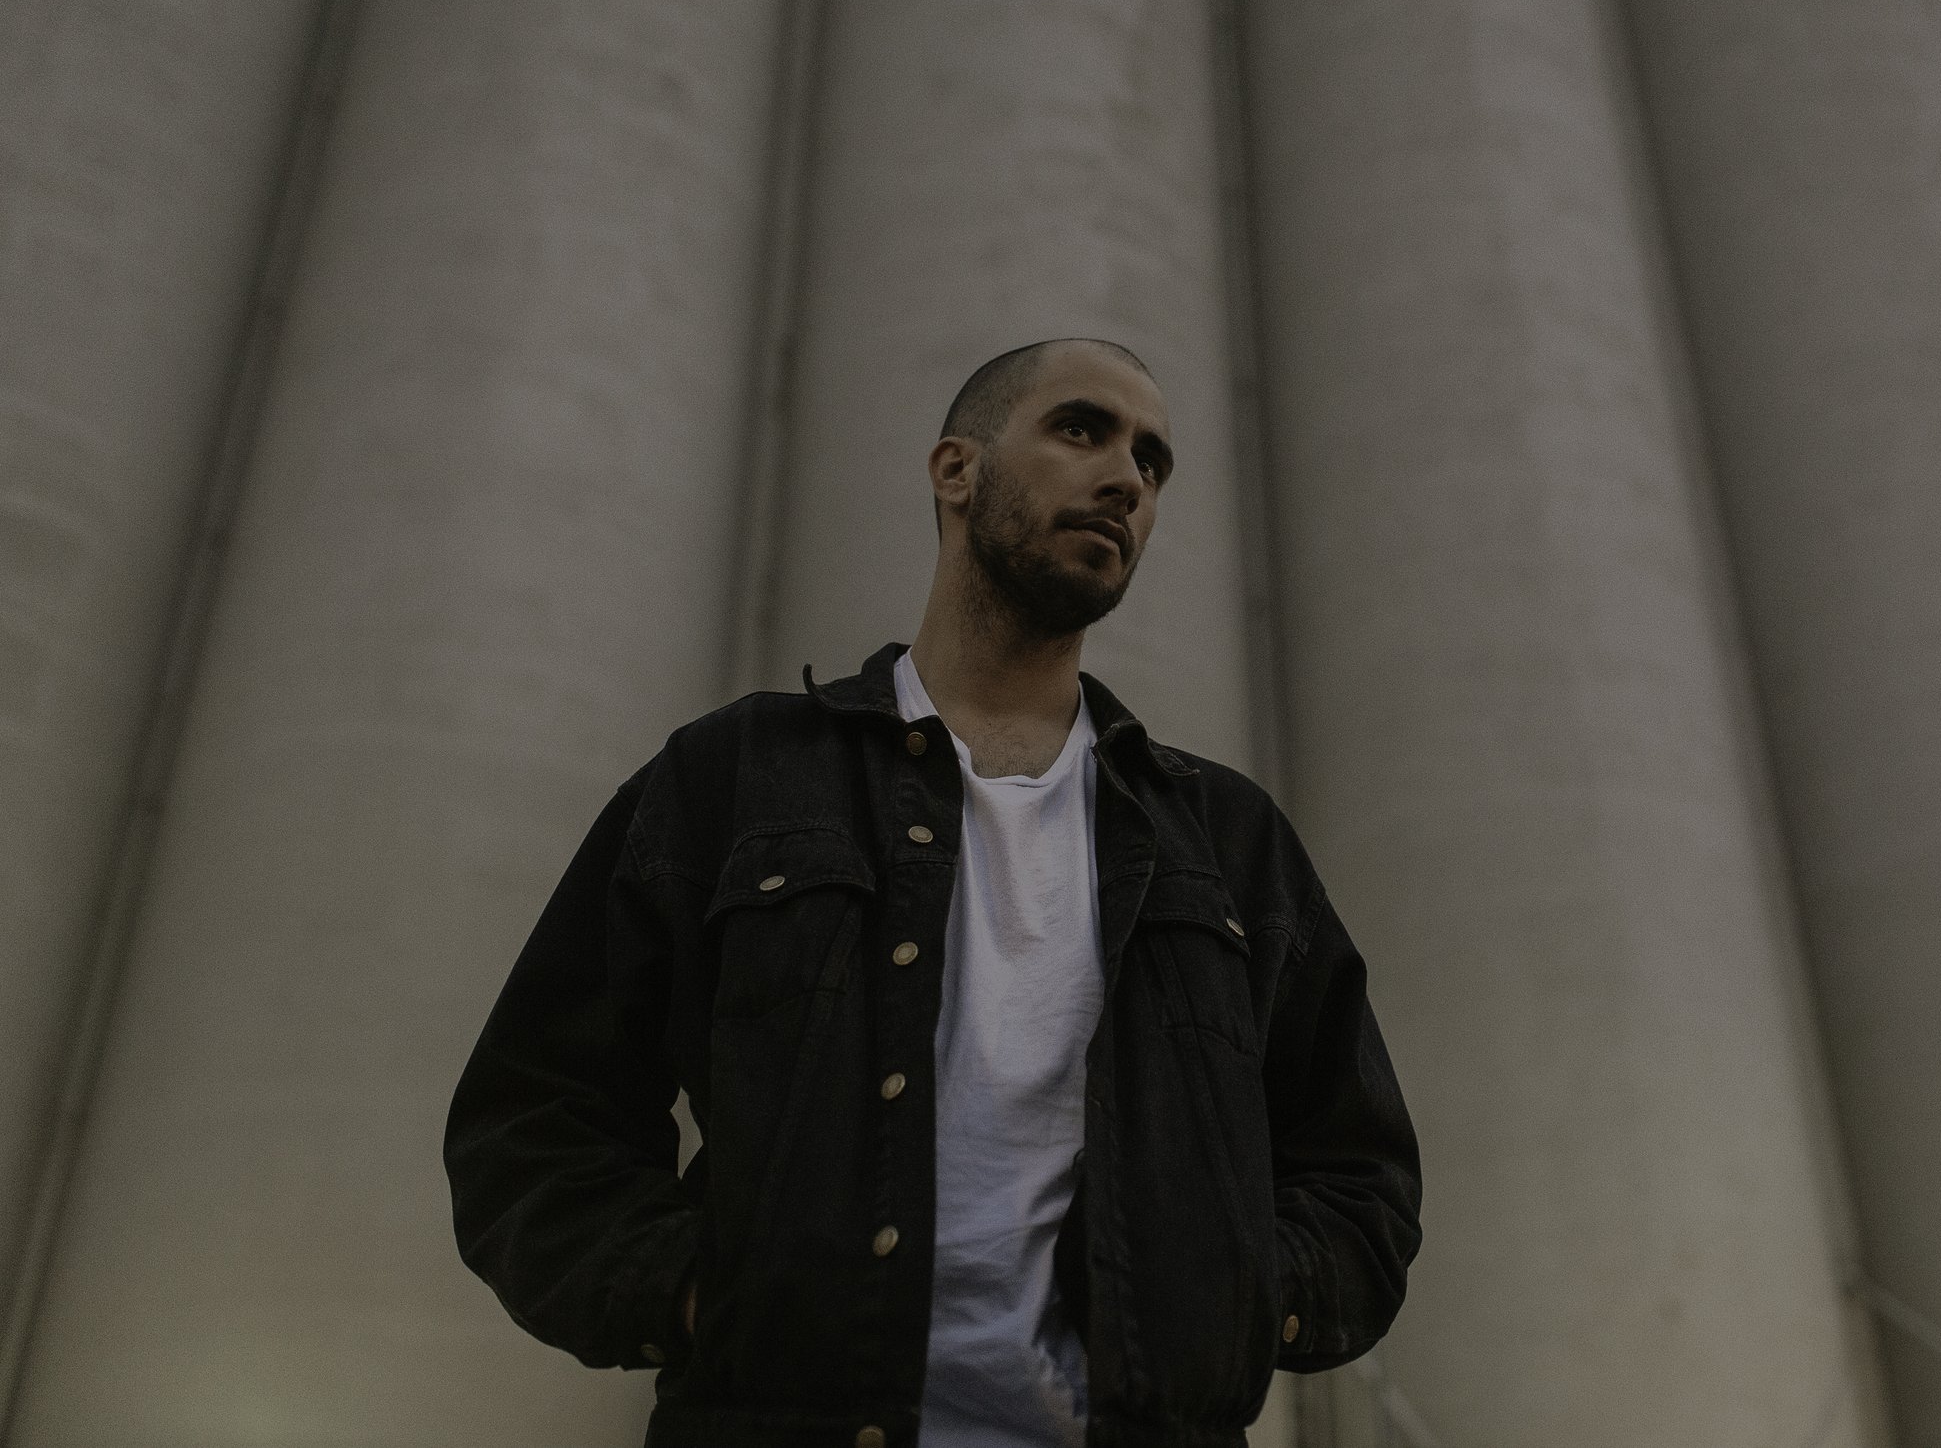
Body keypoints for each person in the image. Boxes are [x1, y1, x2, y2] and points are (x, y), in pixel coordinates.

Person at [444, 338, 1421, 1448]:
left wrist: (1243, 1305)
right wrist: (696, 1295)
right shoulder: (739, 776)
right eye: (1082, 429)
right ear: (957, 468)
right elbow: (533, 1119)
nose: (1126, 479)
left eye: (1152, 462)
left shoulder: (1227, 839)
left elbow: (1361, 1173)